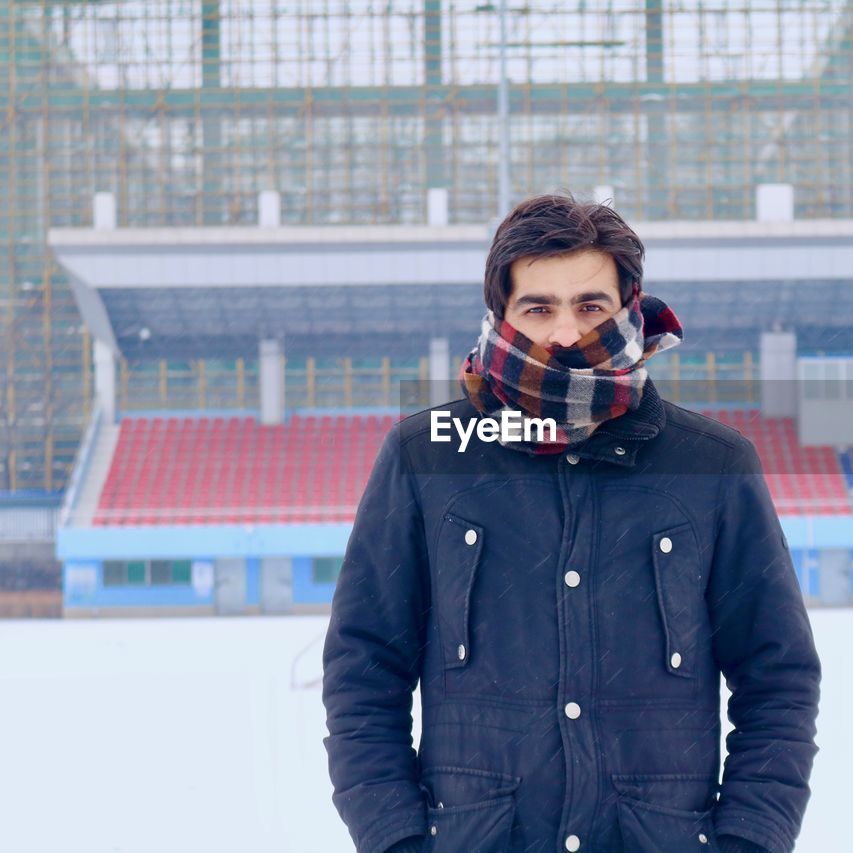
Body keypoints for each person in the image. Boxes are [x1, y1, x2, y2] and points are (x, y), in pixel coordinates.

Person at [322, 192, 821, 853]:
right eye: (539, 306)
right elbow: (363, 670)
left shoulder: (713, 465)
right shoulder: (427, 457)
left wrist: (751, 839)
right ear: (502, 314)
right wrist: (395, 838)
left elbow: (778, 675)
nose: (565, 332)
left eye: (590, 306)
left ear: (629, 308)